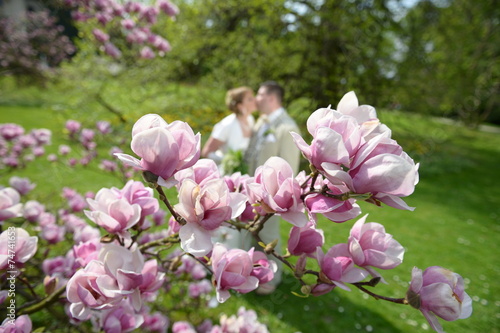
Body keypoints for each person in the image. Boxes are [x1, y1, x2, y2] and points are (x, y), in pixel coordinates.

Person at [243, 81, 301, 293]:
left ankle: (270, 281)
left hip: (271, 196)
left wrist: (276, 199)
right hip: (252, 190)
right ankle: (251, 272)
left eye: (259, 95)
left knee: (268, 236)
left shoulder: (287, 127)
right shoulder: (261, 123)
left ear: (271, 98)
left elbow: (288, 167)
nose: (256, 99)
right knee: (251, 233)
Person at [201, 86, 256, 174]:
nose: (255, 100)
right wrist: (229, 161)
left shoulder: (251, 120)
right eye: (250, 99)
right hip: (227, 175)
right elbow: (206, 152)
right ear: (240, 106)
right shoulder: (227, 124)